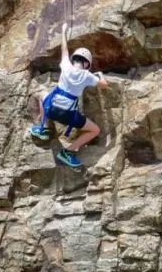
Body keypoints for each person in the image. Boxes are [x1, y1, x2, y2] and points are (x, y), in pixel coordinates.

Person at [29, 29, 110, 168]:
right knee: (95, 130)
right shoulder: (87, 76)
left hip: (52, 109)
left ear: (75, 59)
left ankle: (43, 129)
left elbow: (64, 49)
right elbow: (104, 85)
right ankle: (67, 152)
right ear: (86, 64)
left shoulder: (66, 65)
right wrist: (100, 75)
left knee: (42, 95)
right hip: (67, 116)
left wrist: (64, 31)